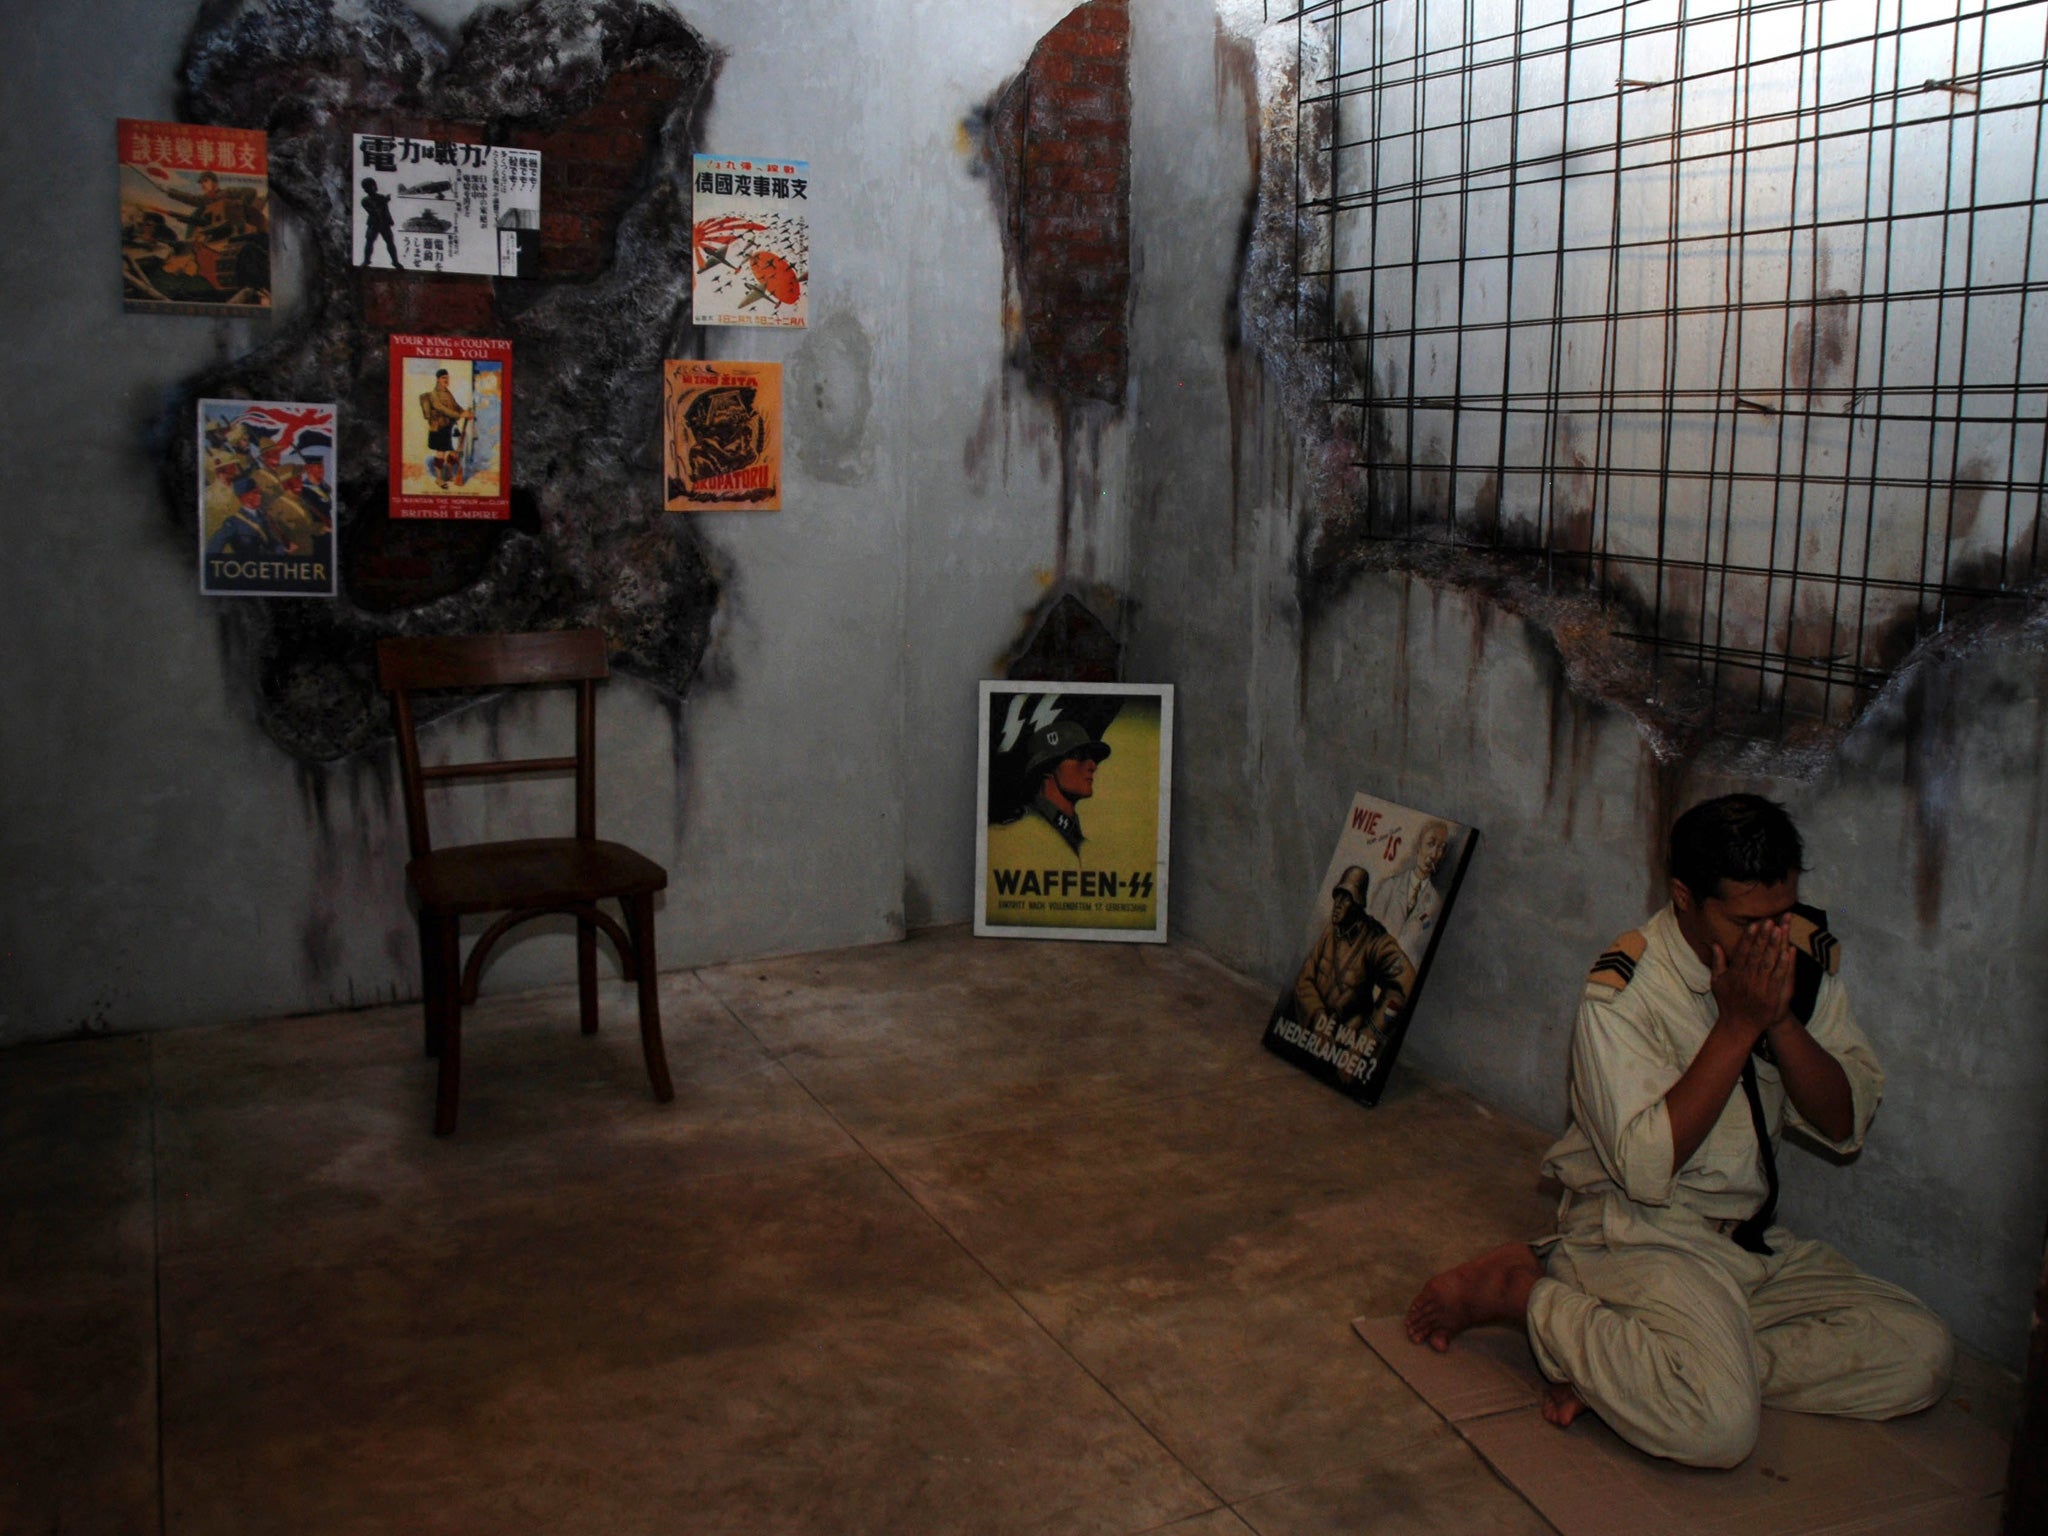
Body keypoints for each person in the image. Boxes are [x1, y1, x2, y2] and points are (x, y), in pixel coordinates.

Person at [1403, 794, 1950, 1469]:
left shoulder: (1794, 964)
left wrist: (1779, 1021)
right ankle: (1525, 1294)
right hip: (1640, 1233)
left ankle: (1637, 1367)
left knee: (1920, 1355)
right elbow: (1645, 1169)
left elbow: (1845, 1122)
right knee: (1719, 1434)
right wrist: (1737, 1027)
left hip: (1745, 1243)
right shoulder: (1624, 990)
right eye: (1747, 921)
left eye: (1782, 916)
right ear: (1685, 898)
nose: (1769, 939)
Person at [1294, 866, 1415, 1055]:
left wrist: (1369, 1036)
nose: (1338, 903)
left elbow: (1406, 983)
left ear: (1358, 902)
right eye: (1338, 896)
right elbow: (1304, 979)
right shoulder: (1330, 932)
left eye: (1347, 897)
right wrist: (1318, 1019)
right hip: (1313, 1036)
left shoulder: (1375, 940)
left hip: (1346, 1046)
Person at [990, 719, 1109, 862]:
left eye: (1093, 758)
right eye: (1078, 756)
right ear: (1047, 767)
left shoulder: (1077, 839)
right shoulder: (1015, 831)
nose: (1092, 766)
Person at [1368, 818, 1451, 964]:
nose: (1434, 854)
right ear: (1418, 846)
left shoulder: (1436, 903)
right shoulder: (1390, 886)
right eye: (1430, 844)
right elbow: (1369, 933)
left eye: (1440, 848)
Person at [418, 368, 472, 488]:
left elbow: (455, 406)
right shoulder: (434, 394)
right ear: (438, 379)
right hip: (440, 426)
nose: (446, 380)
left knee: (454, 450)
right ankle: (438, 479)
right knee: (441, 452)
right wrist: (459, 415)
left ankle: (447, 473)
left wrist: (464, 412)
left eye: (447, 378)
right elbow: (441, 408)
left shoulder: (447, 392)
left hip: (451, 426)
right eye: (443, 378)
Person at [360, 176, 402, 268]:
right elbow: (374, 211)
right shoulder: (365, 201)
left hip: (384, 223)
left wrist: (390, 219)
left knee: (390, 243)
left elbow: (386, 211)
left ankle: (395, 262)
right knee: (369, 242)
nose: (373, 188)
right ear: (366, 189)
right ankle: (366, 261)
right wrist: (384, 202)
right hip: (373, 224)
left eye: (373, 186)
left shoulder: (381, 197)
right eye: (369, 187)